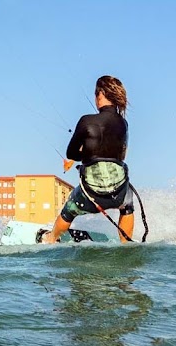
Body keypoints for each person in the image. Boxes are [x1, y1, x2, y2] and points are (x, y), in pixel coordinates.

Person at [41, 75, 135, 244]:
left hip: (90, 192)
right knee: (127, 204)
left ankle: (51, 238)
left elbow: (71, 153)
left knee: (69, 209)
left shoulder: (86, 121)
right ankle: (126, 243)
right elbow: (121, 156)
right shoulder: (123, 123)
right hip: (118, 191)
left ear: (100, 94)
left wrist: (87, 154)